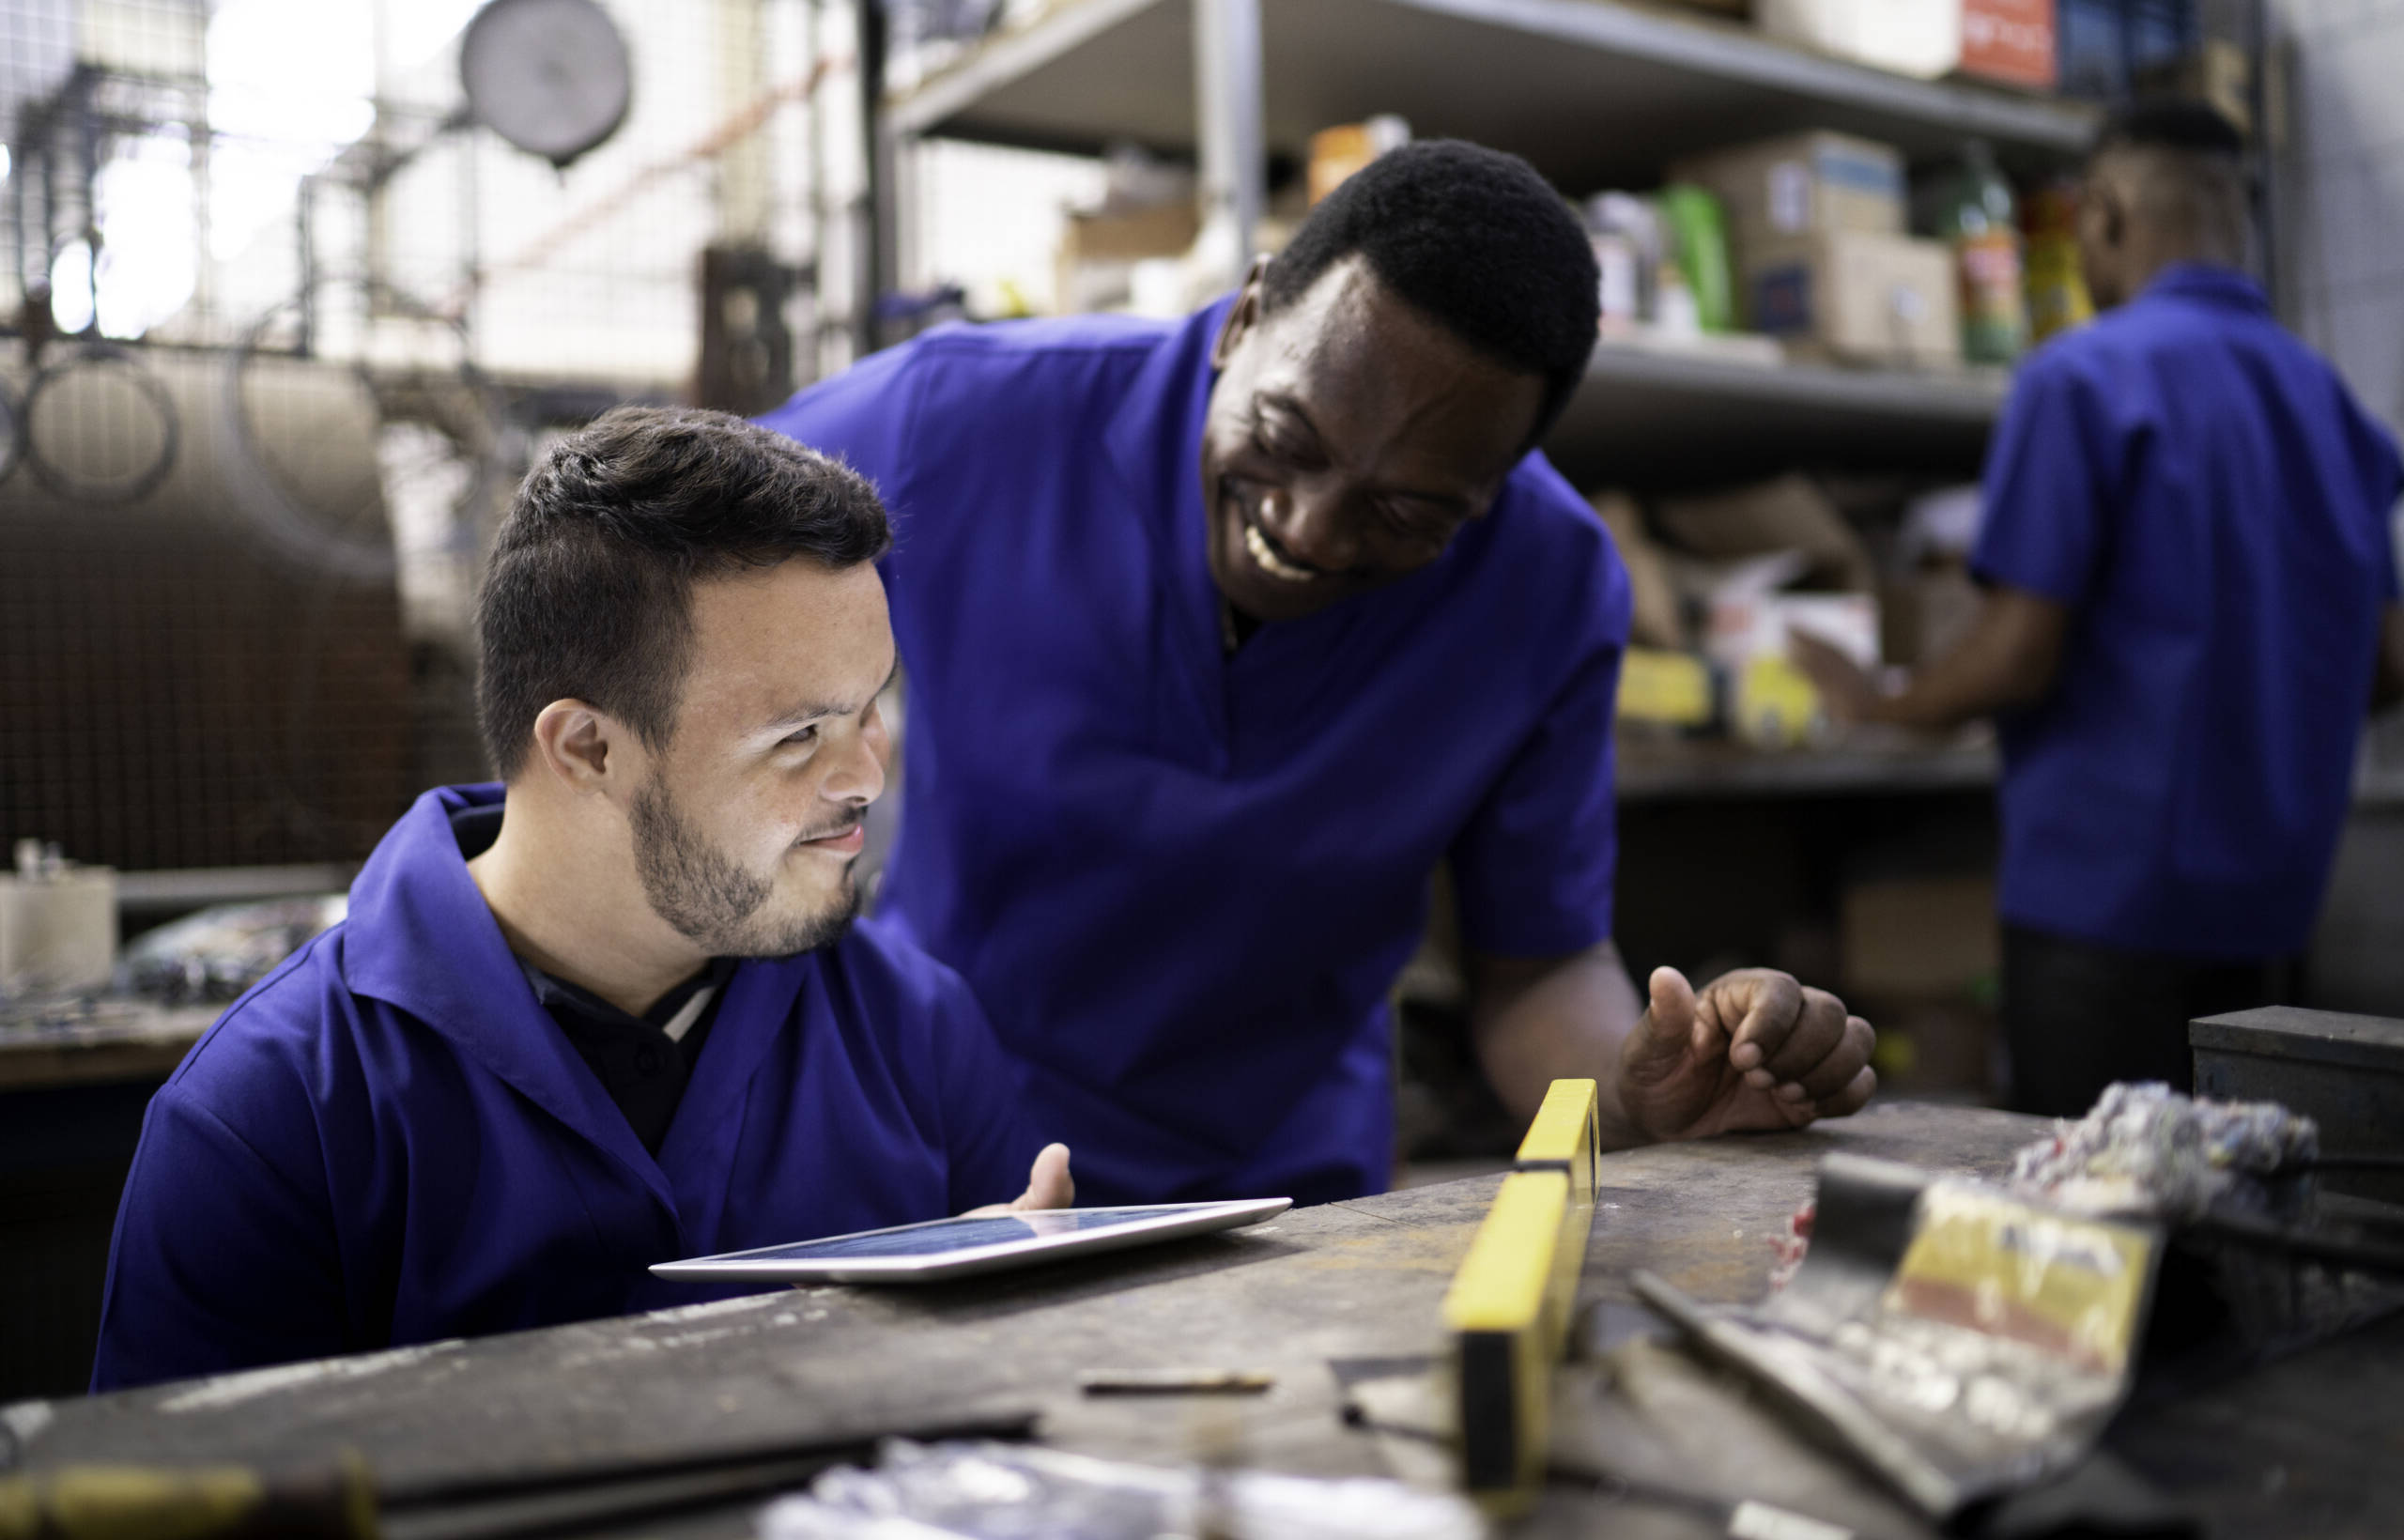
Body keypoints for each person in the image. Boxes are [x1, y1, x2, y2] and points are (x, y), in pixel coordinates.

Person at [760, 140, 1878, 1207]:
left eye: (1409, 511)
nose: (1313, 533)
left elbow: (1535, 973)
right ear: (1245, 319)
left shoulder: (1548, 584)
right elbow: (644, 567)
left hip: (1283, 1194)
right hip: (941, 1147)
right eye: (1288, 436)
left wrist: (1635, 1100)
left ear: (1503, 474)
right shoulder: (955, 425)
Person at [93, 409, 1071, 1391]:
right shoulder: (274, 1116)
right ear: (587, 749)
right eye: (799, 735)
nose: (866, 776)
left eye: (871, 709)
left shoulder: (911, 1030)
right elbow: (183, 1525)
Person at [1795, 101, 2404, 1117]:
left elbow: (2017, 653)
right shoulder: (2332, 403)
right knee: (2236, 1222)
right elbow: (2389, 662)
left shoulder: (2079, 376)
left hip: (2104, 912)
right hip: (2272, 909)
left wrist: (1879, 703)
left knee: (2102, 1242)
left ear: (2109, 212)